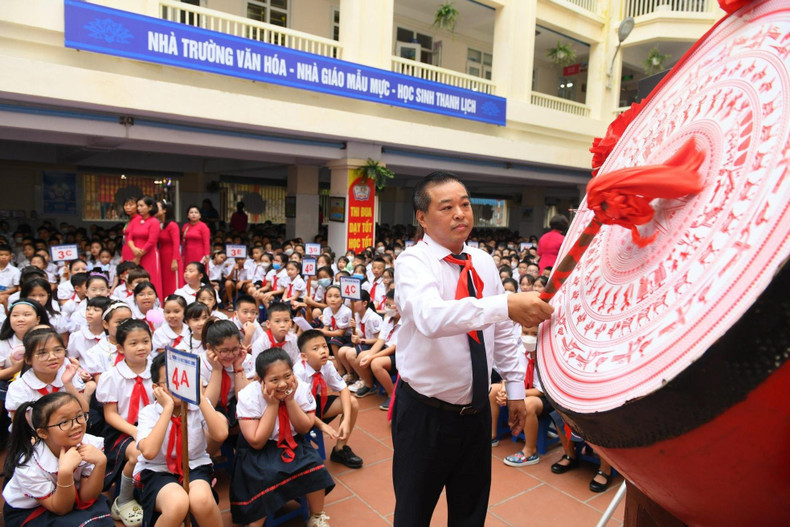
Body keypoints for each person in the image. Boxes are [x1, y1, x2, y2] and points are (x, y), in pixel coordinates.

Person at [391, 171, 554, 526]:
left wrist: (514, 390)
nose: (460, 214)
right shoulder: (412, 263)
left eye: (465, 204)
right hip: (425, 416)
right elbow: (431, 318)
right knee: (413, 512)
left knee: (470, 511)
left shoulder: (481, 261)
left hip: (477, 414)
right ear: (421, 217)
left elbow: (502, 330)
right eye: (446, 207)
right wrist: (504, 304)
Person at [230, 348, 335, 527]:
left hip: (292, 441)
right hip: (260, 449)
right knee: (266, 476)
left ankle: (316, 516)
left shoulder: (300, 388)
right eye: (274, 380)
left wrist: (290, 401)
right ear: (260, 380)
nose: (282, 384)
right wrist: (271, 405)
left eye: (287, 376)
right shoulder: (249, 395)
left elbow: (304, 428)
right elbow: (256, 441)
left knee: (314, 465)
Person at [134, 353, 228, 527]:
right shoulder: (149, 412)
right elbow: (149, 452)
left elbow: (221, 434)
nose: (178, 385)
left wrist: (199, 398)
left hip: (194, 465)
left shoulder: (196, 405)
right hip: (158, 470)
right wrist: (167, 408)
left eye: (183, 379)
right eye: (169, 382)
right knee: (177, 504)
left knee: (201, 500)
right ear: (156, 387)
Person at [2, 392, 114, 527]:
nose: (76, 425)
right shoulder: (29, 465)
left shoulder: (90, 444)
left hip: (73, 498)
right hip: (33, 509)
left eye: (79, 416)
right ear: (42, 433)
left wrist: (100, 463)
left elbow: (87, 497)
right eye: (64, 422)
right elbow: (61, 509)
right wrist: (65, 472)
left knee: (100, 518)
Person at [95, 319, 153, 527]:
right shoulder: (112, 376)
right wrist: (135, 431)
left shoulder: (157, 370)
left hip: (153, 425)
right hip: (123, 430)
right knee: (140, 453)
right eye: (133, 343)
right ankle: (125, 498)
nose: (141, 347)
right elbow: (110, 414)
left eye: (145, 341)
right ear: (120, 347)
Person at [294, 329, 362, 469]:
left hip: (316, 403)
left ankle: (340, 449)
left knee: (352, 402)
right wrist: (322, 425)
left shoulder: (328, 365)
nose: (323, 351)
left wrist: (347, 420)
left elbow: (343, 389)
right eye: (316, 348)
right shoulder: (298, 373)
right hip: (299, 411)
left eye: (324, 346)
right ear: (304, 356)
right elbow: (298, 407)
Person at [126, 196, 163, 303]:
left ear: (150, 207)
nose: (139, 208)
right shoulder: (136, 220)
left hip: (149, 254)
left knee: (151, 278)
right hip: (134, 252)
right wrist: (133, 249)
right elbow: (129, 237)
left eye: (142, 206)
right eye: (138, 206)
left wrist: (138, 255)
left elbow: (152, 241)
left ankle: (154, 303)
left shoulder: (154, 221)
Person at [156, 200, 183, 298]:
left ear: (164, 210)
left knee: (172, 282)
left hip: (171, 256)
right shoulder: (160, 224)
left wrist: (175, 260)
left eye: (157, 207)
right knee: (164, 281)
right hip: (162, 256)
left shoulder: (172, 225)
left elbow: (176, 244)